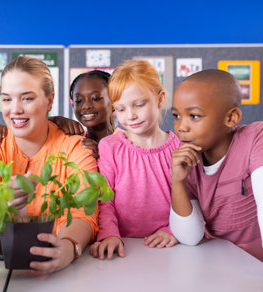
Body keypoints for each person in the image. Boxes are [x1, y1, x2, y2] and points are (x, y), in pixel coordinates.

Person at [0, 56, 98, 273]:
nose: (15, 110)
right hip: (0, 271)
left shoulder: (76, 147)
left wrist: (68, 247)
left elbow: (84, 213)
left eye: (27, 99)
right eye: (7, 99)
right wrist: (1, 207)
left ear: (49, 100)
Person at [90, 60, 180, 260]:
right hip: (123, 247)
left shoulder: (179, 148)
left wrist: (175, 230)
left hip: (166, 249)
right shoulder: (110, 146)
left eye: (139, 105)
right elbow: (105, 201)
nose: (130, 116)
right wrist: (109, 234)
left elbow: (191, 199)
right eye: (120, 109)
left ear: (159, 99)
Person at [170, 69, 263, 261]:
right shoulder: (187, 160)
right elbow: (190, 237)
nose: (181, 127)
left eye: (194, 116)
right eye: (176, 116)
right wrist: (178, 182)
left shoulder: (255, 139)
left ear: (231, 118)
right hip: (212, 265)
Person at [69, 70, 116, 158]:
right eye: (78, 100)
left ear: (113, 102)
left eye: (95, 98)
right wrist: (56, 120)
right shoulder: (75, 142)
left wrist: (102, 155)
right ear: (73, 106)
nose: (86, 106)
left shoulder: (128, 143)